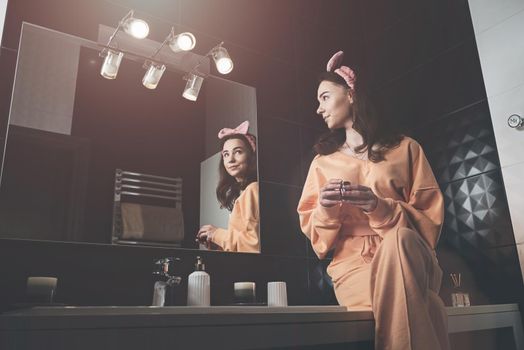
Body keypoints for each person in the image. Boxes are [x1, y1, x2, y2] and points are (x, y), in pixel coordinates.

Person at [297, 51, 450, 350]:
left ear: (351, 94)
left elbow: (430, 223)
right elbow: (317, 240)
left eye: (325, 97)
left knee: (399, 241)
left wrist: (380, 208)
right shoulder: (321, 164)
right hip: (354, 267)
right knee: (428, 305)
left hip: (413, 257)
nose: (318, 109)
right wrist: (326, 210)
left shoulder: (407, 148)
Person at [196, 121, 260, 253]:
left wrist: (216, 234)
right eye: (226, 154)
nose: (230, 159)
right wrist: (219, 244)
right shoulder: (241, 193)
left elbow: (254, 246)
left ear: (251, 156)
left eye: (238, 152)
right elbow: (243, 244)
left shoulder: (254, 189)